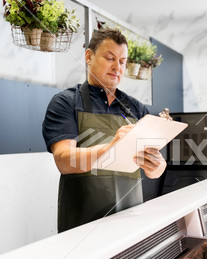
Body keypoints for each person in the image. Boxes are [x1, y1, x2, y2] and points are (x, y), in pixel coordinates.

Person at [42, 28, 166, 233]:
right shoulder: (66, 102)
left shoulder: (137, 109)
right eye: (110, 58)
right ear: (89, 57)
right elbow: (64, 161)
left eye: (122, 61)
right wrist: (110, 149)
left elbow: (154, 166)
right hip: (82, 224)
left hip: (130, 222)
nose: (117, 67)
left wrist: (157, 167)